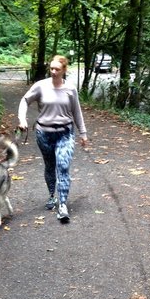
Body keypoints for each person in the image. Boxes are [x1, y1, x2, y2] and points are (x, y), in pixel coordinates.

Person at [18, 55, 88, 223]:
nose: (54, 72)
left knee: (63, 166)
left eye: (57, 69)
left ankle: (62, 204)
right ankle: (52, 195)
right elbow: (25, 101)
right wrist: (22, 118)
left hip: (65, 132)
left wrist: (83, 133)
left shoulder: (70, 89)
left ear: (64, 70)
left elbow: (77, 112)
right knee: (50, 165)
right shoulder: (40, 86)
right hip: (44, 133)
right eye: (52, 69)